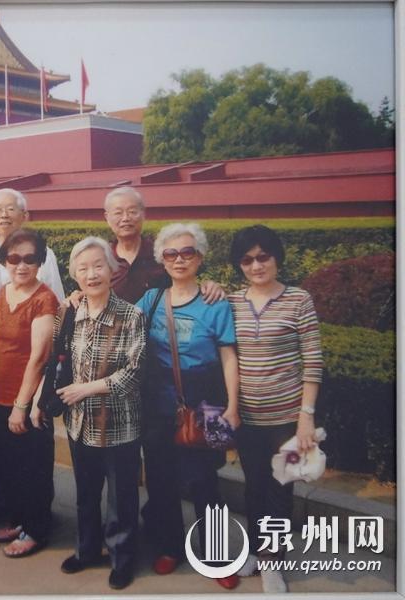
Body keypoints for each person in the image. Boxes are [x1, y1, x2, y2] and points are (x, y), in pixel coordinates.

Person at [136, 222, 240, 590]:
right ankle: (169, 547)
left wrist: (233, 406)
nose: (179, 259)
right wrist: (75, 298)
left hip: (203, 399)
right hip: (157, 402)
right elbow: (116, 320)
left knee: (204, 482)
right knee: (160, 480)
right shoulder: (151, 300)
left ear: (200, 257)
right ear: (162, 260)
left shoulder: (215, 302)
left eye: (187, 252)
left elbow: (228, 356)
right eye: (171, 253)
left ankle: (216, 555)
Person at [228, 225, 323, 594]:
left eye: (263, 257)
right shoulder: (232, 302)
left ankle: (273, 562)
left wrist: (306, 417)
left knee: (281, 489)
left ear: (276, 257)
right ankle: (257, 550)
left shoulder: (299, 300)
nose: (256, 266)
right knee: (254, 487)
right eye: (247, 260)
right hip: (248, 418)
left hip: (286, 419)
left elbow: (312, 362)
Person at [57, 237, 145, 590]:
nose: (91, 274)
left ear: (112, 270)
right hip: (79, 422)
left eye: (98, 266)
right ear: (74, 275)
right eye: (83, 268)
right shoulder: (70, 312)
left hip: (119, 423)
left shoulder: (131, 315)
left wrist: (87, 389)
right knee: (86, 494)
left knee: (122, 498)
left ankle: (122, 558)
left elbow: (135, 371)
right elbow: (59, 359)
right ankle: (87, 549)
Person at [0, 229, 58, 558]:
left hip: (27, 400)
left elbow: (40, 357)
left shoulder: (44, 299)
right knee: (7, 465)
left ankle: (37, 529)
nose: (22, 265)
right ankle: (19, 519)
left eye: (30, 258)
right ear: (4, 260)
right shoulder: (4, 292)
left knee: (33, 468)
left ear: (40, 261)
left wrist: (21, 405)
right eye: (14, 258)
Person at [103, 186, 223, 304]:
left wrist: (209, 285)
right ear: (107, 218)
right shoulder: (102, 258)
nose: (125, 218)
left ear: (143, 214)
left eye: (132, 212)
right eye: (118, 213)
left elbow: (192, 277)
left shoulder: (163, 252)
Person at [0, 188, 65, 302]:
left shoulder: (42, 253)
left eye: (10, 209)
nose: (4, 215)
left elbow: (57, 299)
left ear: (24, 216)